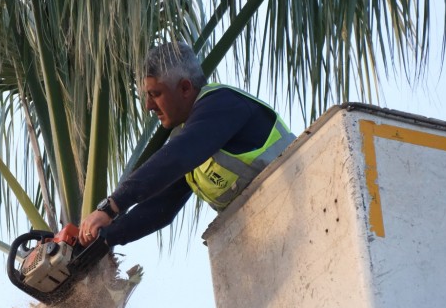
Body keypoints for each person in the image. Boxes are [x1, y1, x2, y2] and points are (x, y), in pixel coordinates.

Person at [78, 42, 295, 247]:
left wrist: (112, 206)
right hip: (280, 229)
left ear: (184, 88)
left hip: (303, 198)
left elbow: (177, 156)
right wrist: (103, 238)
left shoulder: (223, 103)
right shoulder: (189, 138)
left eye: (155, 94)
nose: (148, 106)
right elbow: (160, 208)